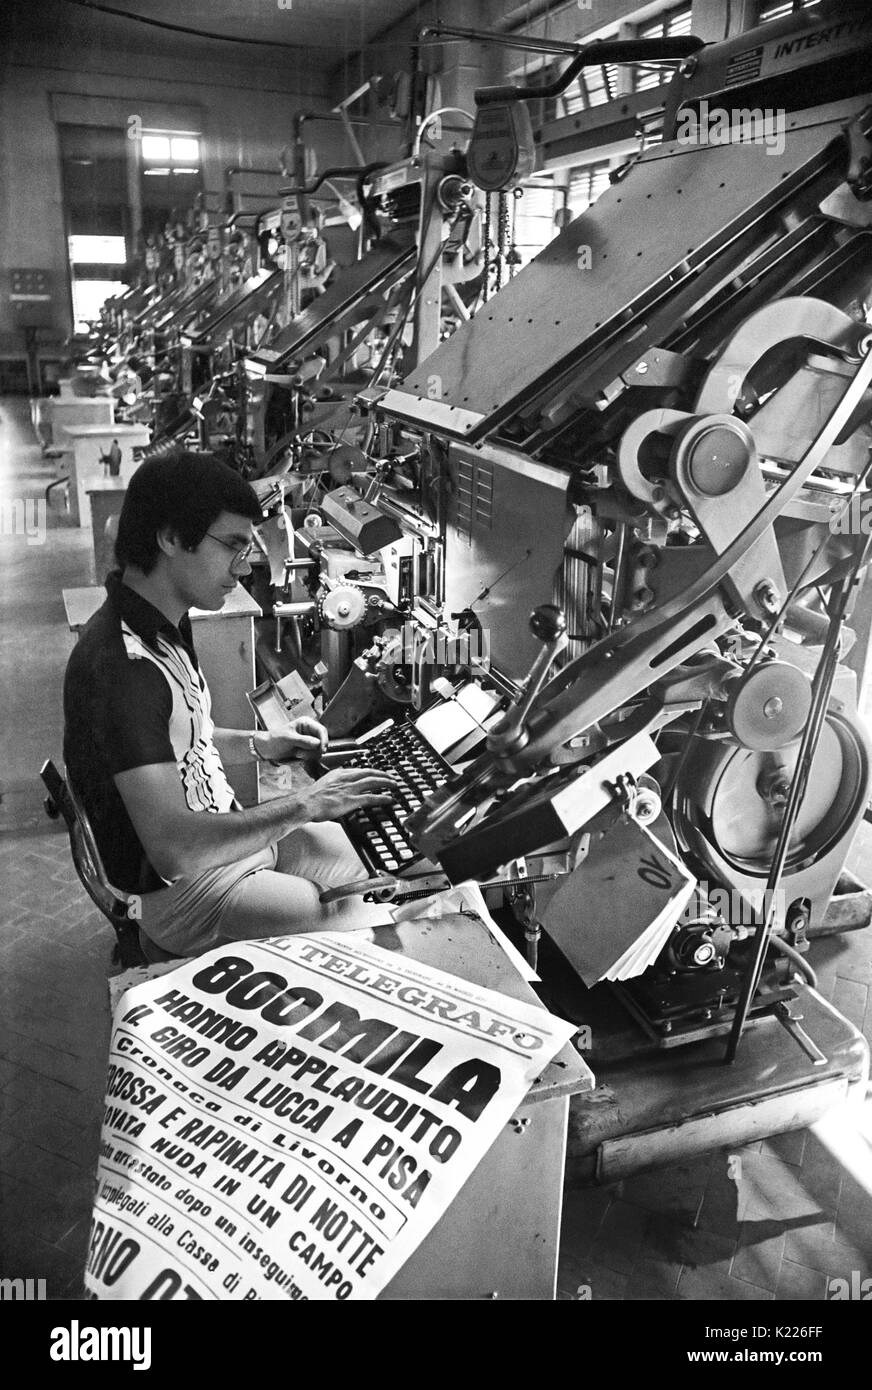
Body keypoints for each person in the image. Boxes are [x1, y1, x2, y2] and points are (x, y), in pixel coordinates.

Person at [63, 450, 401, 958]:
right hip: (183, 892)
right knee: (369, 929)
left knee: (357, 860)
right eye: (234, 547)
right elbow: (175, 850)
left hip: (221, 835)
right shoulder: (124, 669)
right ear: (173, 538)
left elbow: (178, 737)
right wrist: (306, 802)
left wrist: (260, 745)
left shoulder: (162, 622)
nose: (244, 569)